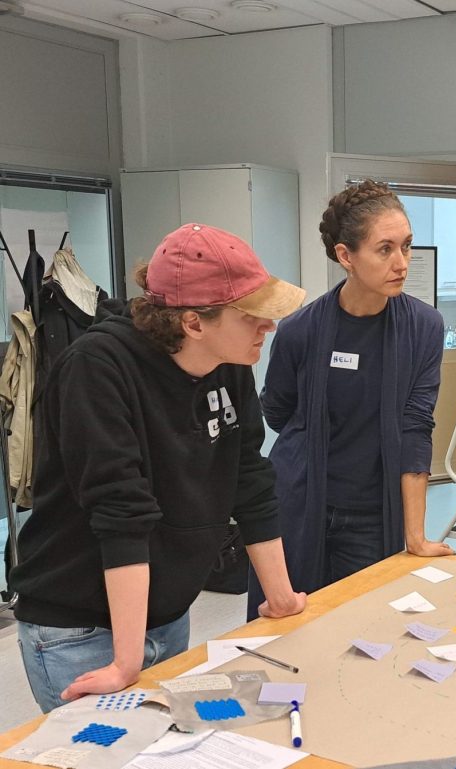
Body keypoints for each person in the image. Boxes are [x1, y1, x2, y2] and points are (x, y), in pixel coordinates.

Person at [11, 223, 309, 713]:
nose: (269, 327)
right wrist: (126, 663)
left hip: (167, 613)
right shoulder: (96, 368)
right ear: (193, 322)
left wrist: (280, 597)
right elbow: (122, 512)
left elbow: (249, 481)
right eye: (252, 316)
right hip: (80, 626)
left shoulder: (228, 359)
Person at [248, 180, 451, 618]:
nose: (401, 263)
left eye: (407, 247)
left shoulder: (424, 328)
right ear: (346, 256)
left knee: (366, 628)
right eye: (385, 249)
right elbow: (277, 410)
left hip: (372, 513)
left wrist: (415, 536)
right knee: (292, 633)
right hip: (301, 505)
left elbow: (416, 427)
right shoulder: (300, 329)